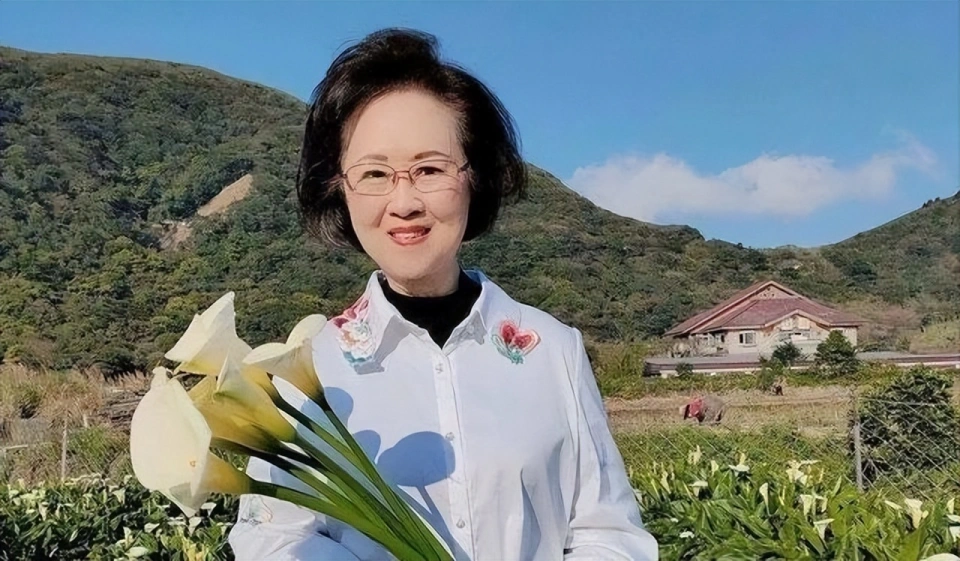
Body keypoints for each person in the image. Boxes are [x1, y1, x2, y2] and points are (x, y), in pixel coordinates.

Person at [227, 27, 658, 561]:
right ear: (339, 187)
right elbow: (270, 538)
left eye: (430, 169)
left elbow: (609, 533)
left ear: (475, 177)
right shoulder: (304, 372)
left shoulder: (554, 352)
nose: (404, 201)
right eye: (375, 173)